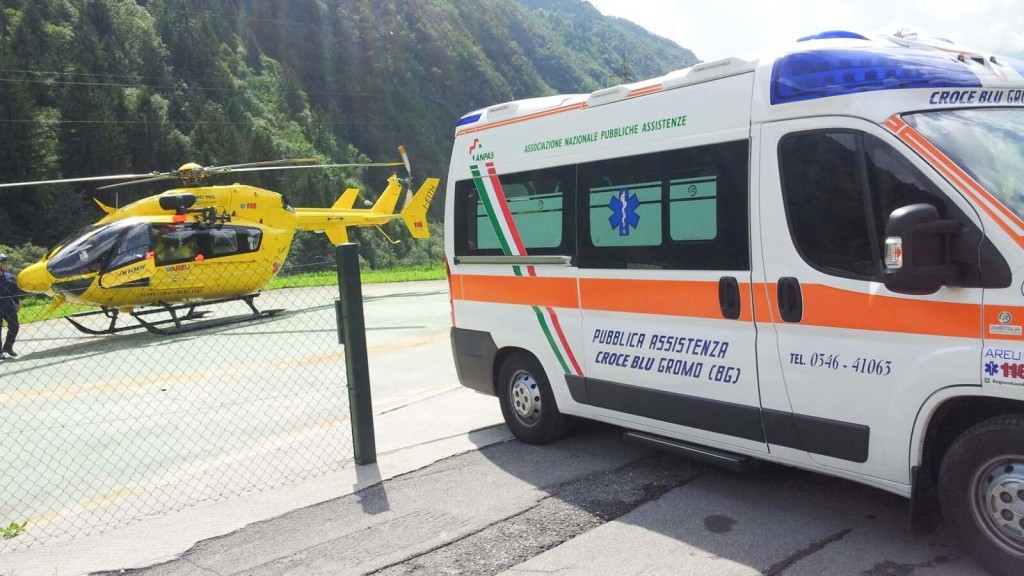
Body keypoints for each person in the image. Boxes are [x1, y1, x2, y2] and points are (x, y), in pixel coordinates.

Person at [0, 254, 23, 359]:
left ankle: (8, 347)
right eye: (4, 262)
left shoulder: (10, 276)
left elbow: (15, 291)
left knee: (15, 326)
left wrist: (17, 302)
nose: (6, 264)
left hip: (9, 305)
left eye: (6, 262)